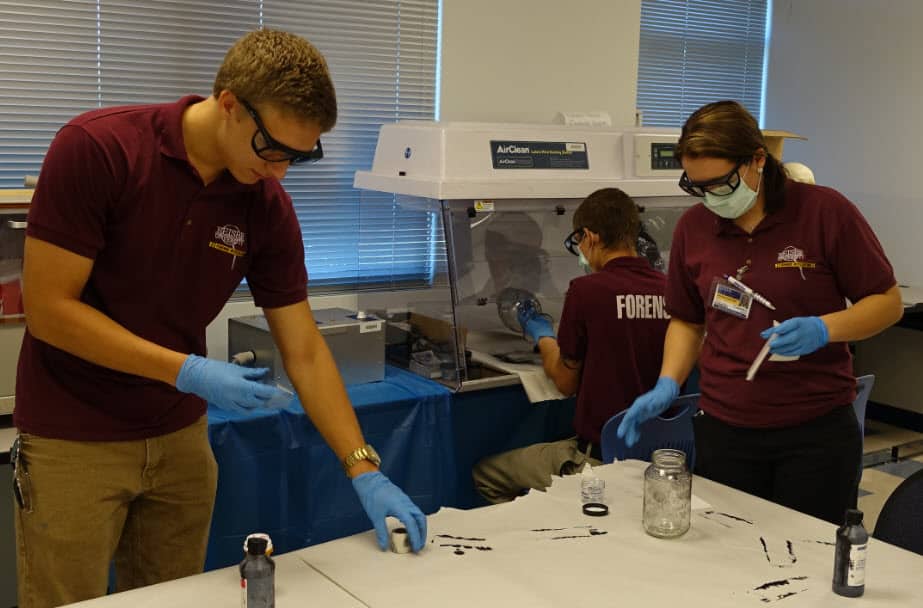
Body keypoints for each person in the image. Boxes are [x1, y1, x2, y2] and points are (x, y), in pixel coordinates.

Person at [12, 29, 426, 608]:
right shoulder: (99, 149)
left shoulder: (263, 203)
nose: (281, 171)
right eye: (273, 149)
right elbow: (50, 311)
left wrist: (362, 467)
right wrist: (188, 370)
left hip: (179, 437)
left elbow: (303, 348)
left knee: (170, 598)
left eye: (298, 157)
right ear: (229, 105)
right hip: (74, 434)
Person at [617, 100, 903, 524]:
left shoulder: (824, 212)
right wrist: (666, 382)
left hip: (815, 430)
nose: (710, 196)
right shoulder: (694, 228)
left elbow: (886, 302)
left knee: (809, 558)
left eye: (720, 183)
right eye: (697, 186)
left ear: (757, 160)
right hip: (725, 427)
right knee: (732, 558)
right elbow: (687, 320)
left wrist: (825, 328)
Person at [472, 188, 669, 503]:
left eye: (578, 243)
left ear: (589, 237)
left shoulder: (587, 291)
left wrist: (544, 337)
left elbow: (564, 383)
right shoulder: (669, 288)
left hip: (598, 461)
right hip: (658, 458)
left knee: (487, 473)